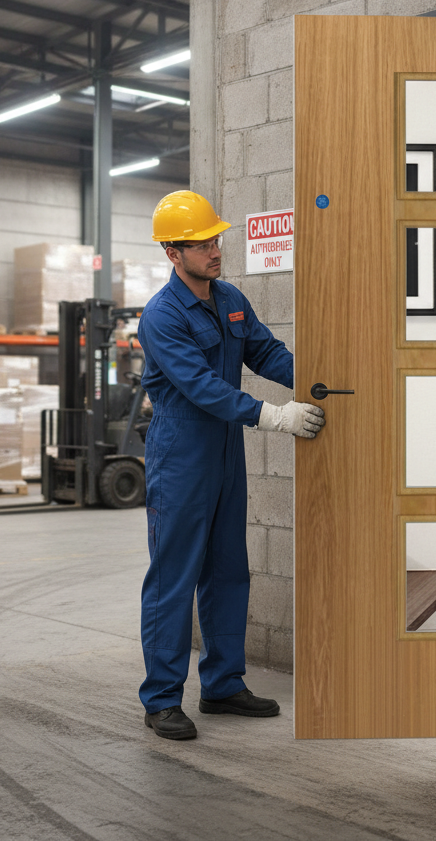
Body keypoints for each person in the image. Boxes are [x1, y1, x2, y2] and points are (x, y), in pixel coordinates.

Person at [136, 190, 325, 741]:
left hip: (223, 454)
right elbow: (199, 388)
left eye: (215, 238)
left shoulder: (231, 299)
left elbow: (263, 352)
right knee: (174, 578)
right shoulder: (162, 316)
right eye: (200, 243)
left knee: (228, 570)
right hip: (181, 456)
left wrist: (312, 378)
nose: (215, 249)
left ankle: (221, 684)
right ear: (173, 253)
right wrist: (274, 417)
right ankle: (161, 699)